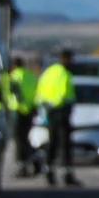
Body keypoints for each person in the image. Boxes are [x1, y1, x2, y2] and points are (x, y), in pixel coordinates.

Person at [35, 49, 82, 188]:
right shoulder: (64, 73)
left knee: (53, 143)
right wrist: (66, 103)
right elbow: (63, 95)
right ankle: (67, 175)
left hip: (50, 111)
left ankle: (49, 171)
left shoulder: (49, 72)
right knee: (65, 144)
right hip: (61, 111)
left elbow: (40, 92)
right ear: (66, 59)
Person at [6, 55, 38, 177]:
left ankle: (22, 164)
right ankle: (31, 158)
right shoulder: (31, 76)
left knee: (19, 140)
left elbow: (14, 94)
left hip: (17, 111)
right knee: (25, 138)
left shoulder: (14, 77)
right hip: (30, 111)